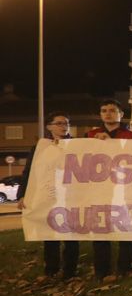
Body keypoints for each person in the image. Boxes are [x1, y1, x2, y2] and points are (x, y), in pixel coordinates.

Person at [18, 111, 80, 279]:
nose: (63, 126)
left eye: (66, 123)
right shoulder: (40, 147)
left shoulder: (78, 145)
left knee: (71, 234)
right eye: (59, 123)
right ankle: (51, 270)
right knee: (50, 234)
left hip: (70, 196)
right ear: (49, 126)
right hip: (48, 196)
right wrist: (23, 194)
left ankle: (70, 271)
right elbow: (29, 172)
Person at [87, 99, 132, 279]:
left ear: (121, 114)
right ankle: (102, 270)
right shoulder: (90, 135)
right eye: (104, 110)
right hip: (99, 191)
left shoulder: (130, 136)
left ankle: (125, 268)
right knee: (101, 231)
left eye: (111, 110)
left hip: (124, 191)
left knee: (127, 229)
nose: (107, 113)